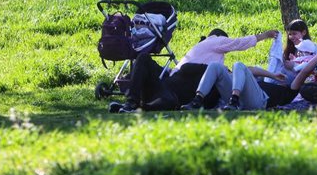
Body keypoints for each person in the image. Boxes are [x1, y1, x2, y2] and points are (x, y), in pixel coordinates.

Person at [109, 28, 278, 113]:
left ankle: (133, 103)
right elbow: (237, 44)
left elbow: (236, 72)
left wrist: (269, 74)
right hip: (176, 86)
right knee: (144, 58)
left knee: (144, 58)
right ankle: (132, 103)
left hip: (168, 89)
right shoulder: (215, 41)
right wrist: (264, 36)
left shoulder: (206, 56)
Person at [182, 52, 317, 111]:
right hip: (240, 96)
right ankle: (197, 100)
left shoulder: (290, 90)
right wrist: (273, 75)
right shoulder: (269, 81)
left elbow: (305, 71)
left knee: (238, 65)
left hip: (258, 102)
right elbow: (250, 70)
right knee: (215, 66)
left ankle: (234, 100)